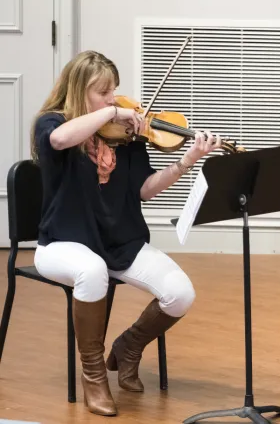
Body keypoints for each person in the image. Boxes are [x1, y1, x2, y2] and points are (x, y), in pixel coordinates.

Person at [30, 50, 222, 416]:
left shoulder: (126, 138)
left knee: (180, 294)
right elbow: (58, 140)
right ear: (78, 90)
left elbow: (144, 190)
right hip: (62, 243)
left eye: (114, 90)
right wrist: (112, 112)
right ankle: (94, 375)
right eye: (103, 92)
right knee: (91, 271)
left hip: (118, 242)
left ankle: (129, 346)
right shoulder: (52, 124)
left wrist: (186, 161)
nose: (114, 99)